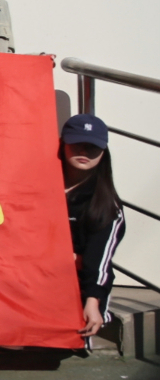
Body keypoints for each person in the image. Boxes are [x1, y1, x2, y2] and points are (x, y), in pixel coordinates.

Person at [60, 114, 125, 339]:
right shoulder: (38, 187)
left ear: (103, 152)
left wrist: (93, 300)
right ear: (63, 144)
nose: (84, 151)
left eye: (92, 147)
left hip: (78, 282)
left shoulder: (107, 206)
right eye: (77, 143)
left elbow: (98, 260)